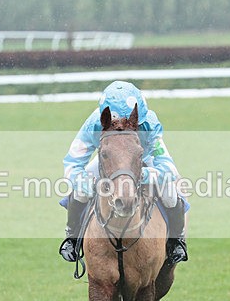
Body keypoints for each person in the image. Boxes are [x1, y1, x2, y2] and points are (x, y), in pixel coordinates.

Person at [59, 80, 188, 266]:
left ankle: (177, 241)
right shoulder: (94, 124)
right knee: (80, 191)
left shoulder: (149, 123)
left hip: (142, 161)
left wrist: (145, 175)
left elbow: (168, 167)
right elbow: (73, 161)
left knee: (169, 193)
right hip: (109, 161)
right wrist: (82, 182)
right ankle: (72, 238)